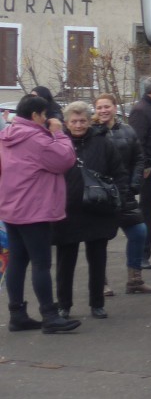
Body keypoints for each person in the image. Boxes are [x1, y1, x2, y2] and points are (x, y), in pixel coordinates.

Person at [0, 93, 80, 333]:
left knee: (17, 261)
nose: (47, 119)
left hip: (12, 208)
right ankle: (50, 316)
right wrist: (59, 133)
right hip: (34, 210)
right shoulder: (36, 139)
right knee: (41, 263)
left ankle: (17, 314)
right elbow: (65, 160)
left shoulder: (7, 136)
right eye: (45, 115)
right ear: (35, 115)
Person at [52, 102, 122, 319]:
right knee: (65, 262)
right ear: (66, 123)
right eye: (74, 121)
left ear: (89, 121)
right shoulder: (57, 143)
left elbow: (118, 172)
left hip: (98, 209)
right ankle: (64, 305)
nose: (79, 125)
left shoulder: (103, 142)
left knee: (98, 260)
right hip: (67, 210)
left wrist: (118, 199)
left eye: (82, 120)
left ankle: (97, 303)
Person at [93, 94, 151, 296]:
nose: (103, 110)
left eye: (106, 106)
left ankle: (135, 281)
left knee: (139, 232)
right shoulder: (91, 133)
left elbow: (138, 158)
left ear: (114, 107)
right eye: (99, 107)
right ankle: (100, 283)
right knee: (99, 240)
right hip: (99, 196)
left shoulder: (128, 131)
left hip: (124, 193)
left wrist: (135, 183)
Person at [127, 76, 151, 269]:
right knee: (147, 213)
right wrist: (145, 166)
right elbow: (137, 141)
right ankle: (141, 256)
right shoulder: (140, 110)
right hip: (149, 170)